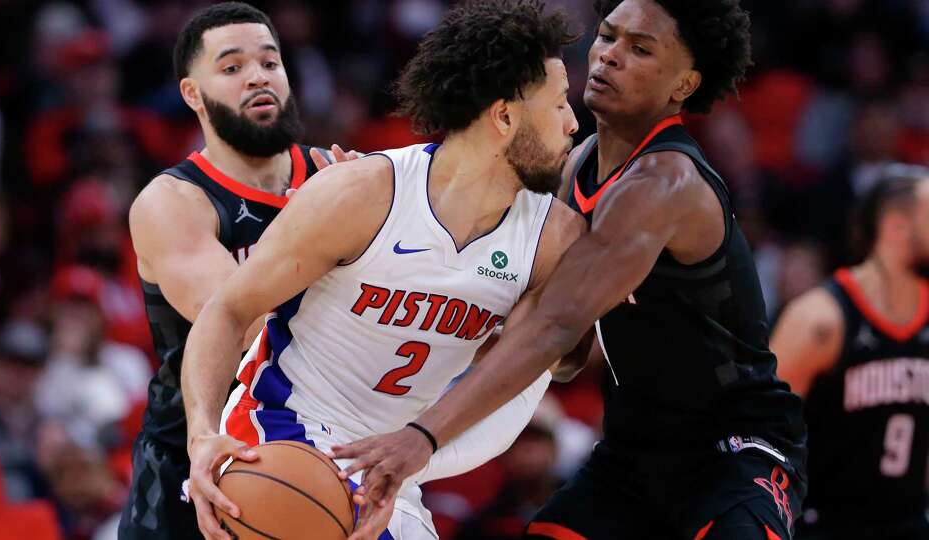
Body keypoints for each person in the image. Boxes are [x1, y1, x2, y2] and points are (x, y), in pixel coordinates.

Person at [332, 1, 809, 539]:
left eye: (640, 48)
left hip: (732, 449)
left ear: (685, 83)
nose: (608, 56)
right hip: (635, 450)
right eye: (607, 37)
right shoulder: (578, 165)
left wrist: (421, 437)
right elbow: (559, 340)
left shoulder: (665, 182)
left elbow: (554, 325)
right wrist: (371, 203)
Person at [182, 1, 585, 538]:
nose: (572, 123)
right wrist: (202, 436)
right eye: (559, 104)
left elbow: (538, 370)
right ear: (505, 117)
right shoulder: (363, 194)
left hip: (393, 460)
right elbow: (228, 310)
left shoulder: (552, 239)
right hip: (280, 429)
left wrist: (418, 454)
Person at [117, 3, 350, 538]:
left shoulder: (341, 177)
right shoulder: (173, 202)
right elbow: (249, 328)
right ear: (192, 94)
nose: (257, 77)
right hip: (194, 457)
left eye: (270, 62)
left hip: (322, 445)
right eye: (231, 68)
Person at [772, 166, 929, 540]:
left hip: (909, 524)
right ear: (895, 228)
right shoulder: (819, 320)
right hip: (825, 525)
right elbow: (757, 437)